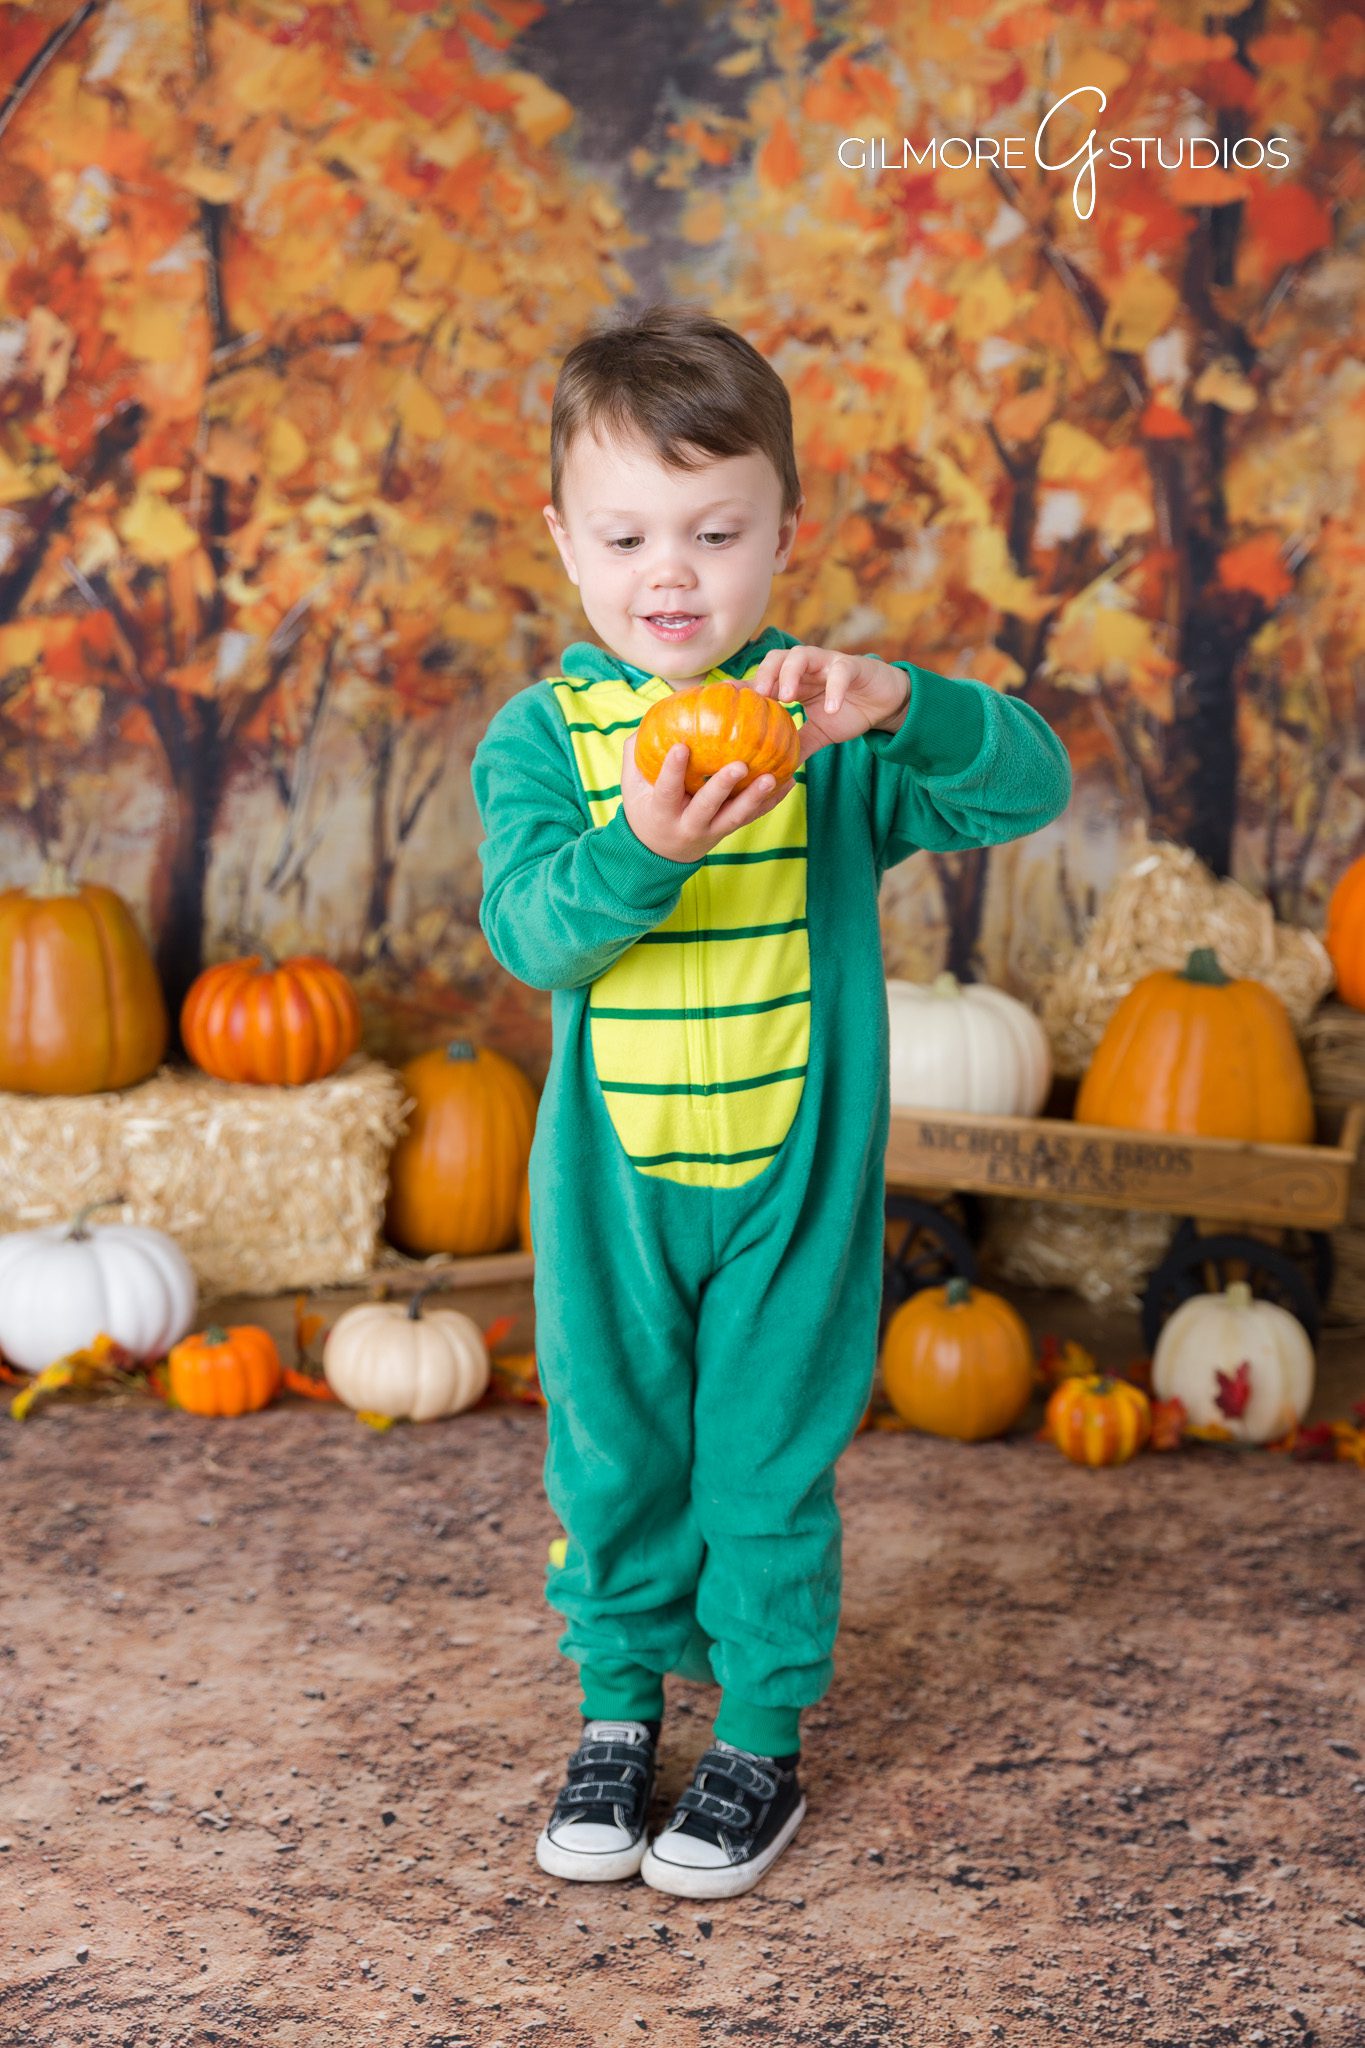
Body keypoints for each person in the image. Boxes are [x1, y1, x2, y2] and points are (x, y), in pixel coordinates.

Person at [470, 301, 1072, 1901]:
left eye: (715, 530)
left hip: (791, 1189)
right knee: (612, 1460)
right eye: (627, 534)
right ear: (562, 542)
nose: (671, 572)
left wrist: (906, 707)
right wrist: (646, 851)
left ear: (780, 533)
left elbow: (1029, 783)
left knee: (762, 1464)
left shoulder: (819, 726)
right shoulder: (544, 739)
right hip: (612, 1195)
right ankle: (614, 1714)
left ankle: (755, 1736)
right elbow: (533, 928)